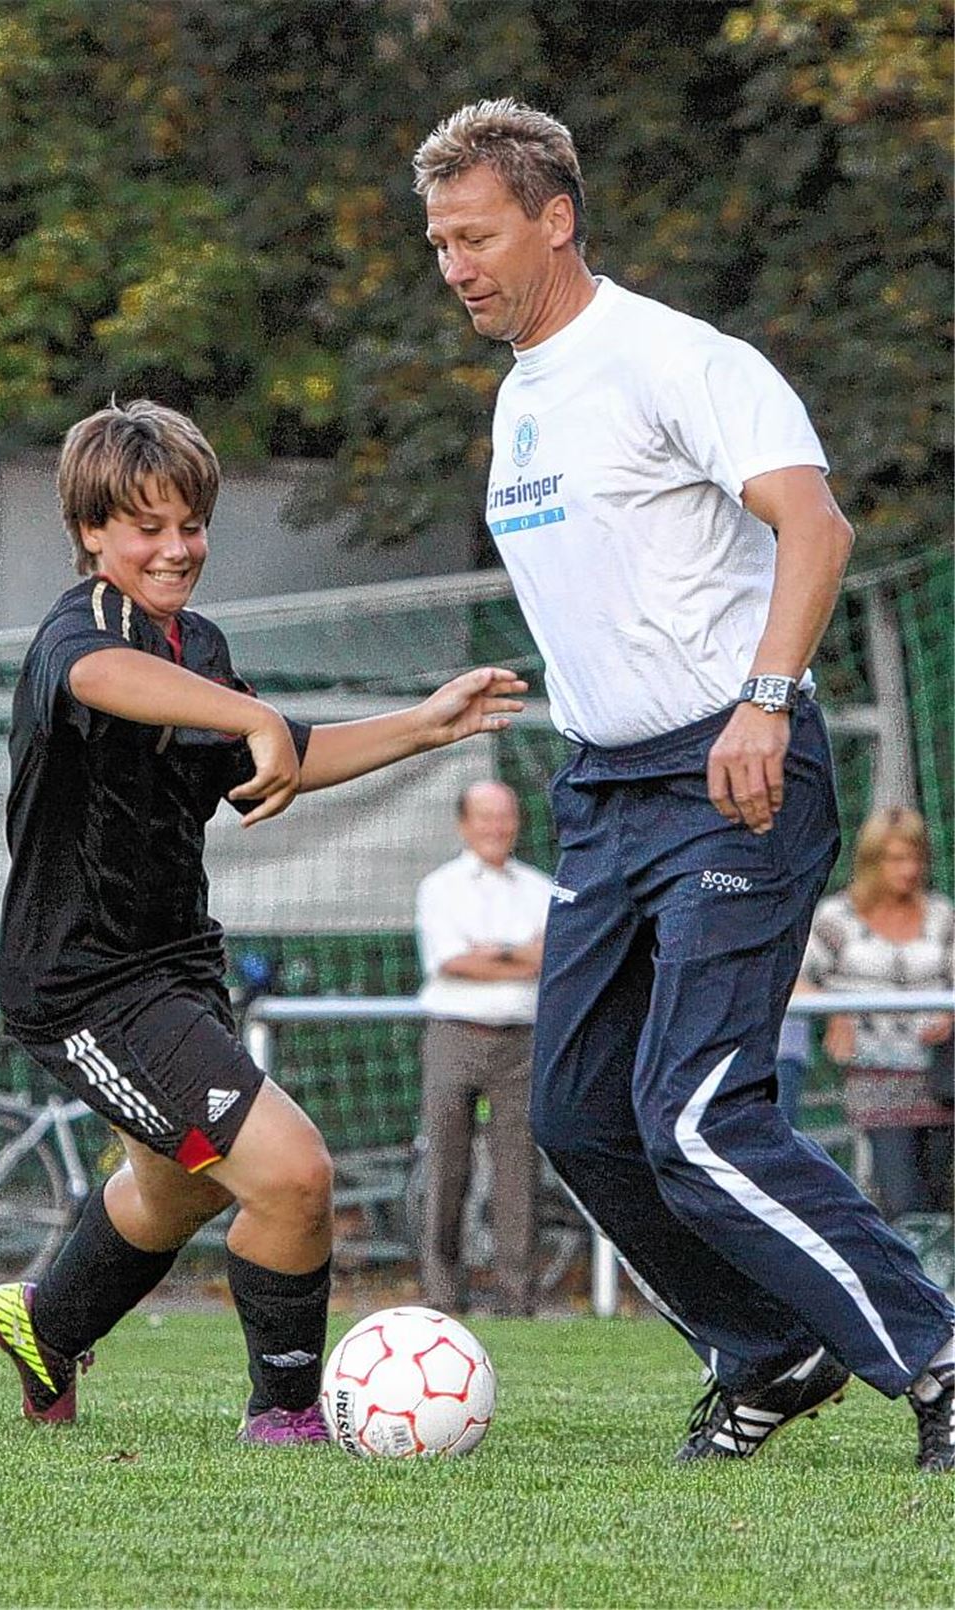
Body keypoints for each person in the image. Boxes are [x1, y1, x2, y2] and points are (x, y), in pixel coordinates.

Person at [412, 98, 954, 1471]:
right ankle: (765, 1351)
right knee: (582, 1113)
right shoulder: (518, 402)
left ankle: (937, 1354)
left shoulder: (674, 359)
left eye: (476, 237)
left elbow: (814, 523)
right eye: (438, 244)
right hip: (604, 789)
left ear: (555, 217)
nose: (456, 266)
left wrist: (763, 700)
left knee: (703, 1113)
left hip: (737, 770)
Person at [0, 398, 525, 1446]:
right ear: (92, 531)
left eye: (191, 523)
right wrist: (253, 713)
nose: (176, 547)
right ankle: (284, 1414)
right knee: (291, 1171)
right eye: (146, 526)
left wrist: (424, 723)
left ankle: (43, 1323)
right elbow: (107, 681)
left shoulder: (200, 645)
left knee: (179, 1188)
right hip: (82, 981)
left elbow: (271, 764)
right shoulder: (78, 633)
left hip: (174, 963)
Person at [414, 780, 552, 1316]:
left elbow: (549, 960)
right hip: (454, 1035)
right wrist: (519, 956)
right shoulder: (439, 887)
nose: (497, 828)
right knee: (446, 1166)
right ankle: (442, 1296)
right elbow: (451, 962)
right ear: (464, 824)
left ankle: (517, 1299)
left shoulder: (541, 888)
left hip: (522, 1041)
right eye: (486, 817)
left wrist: (490, 954)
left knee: (519, 1172)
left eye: (506, 816)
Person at [799, 807, 954, 1221]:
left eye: (916, 857)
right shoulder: (835, 918)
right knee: (903, 1203)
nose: (909, 869)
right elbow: (791, 981)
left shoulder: (941, 915)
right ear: (871, 861)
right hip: (875, 1081)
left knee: (940, 1207)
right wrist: (834, 1011)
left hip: (941, 1081)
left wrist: (950, 1016)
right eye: (897, 858)